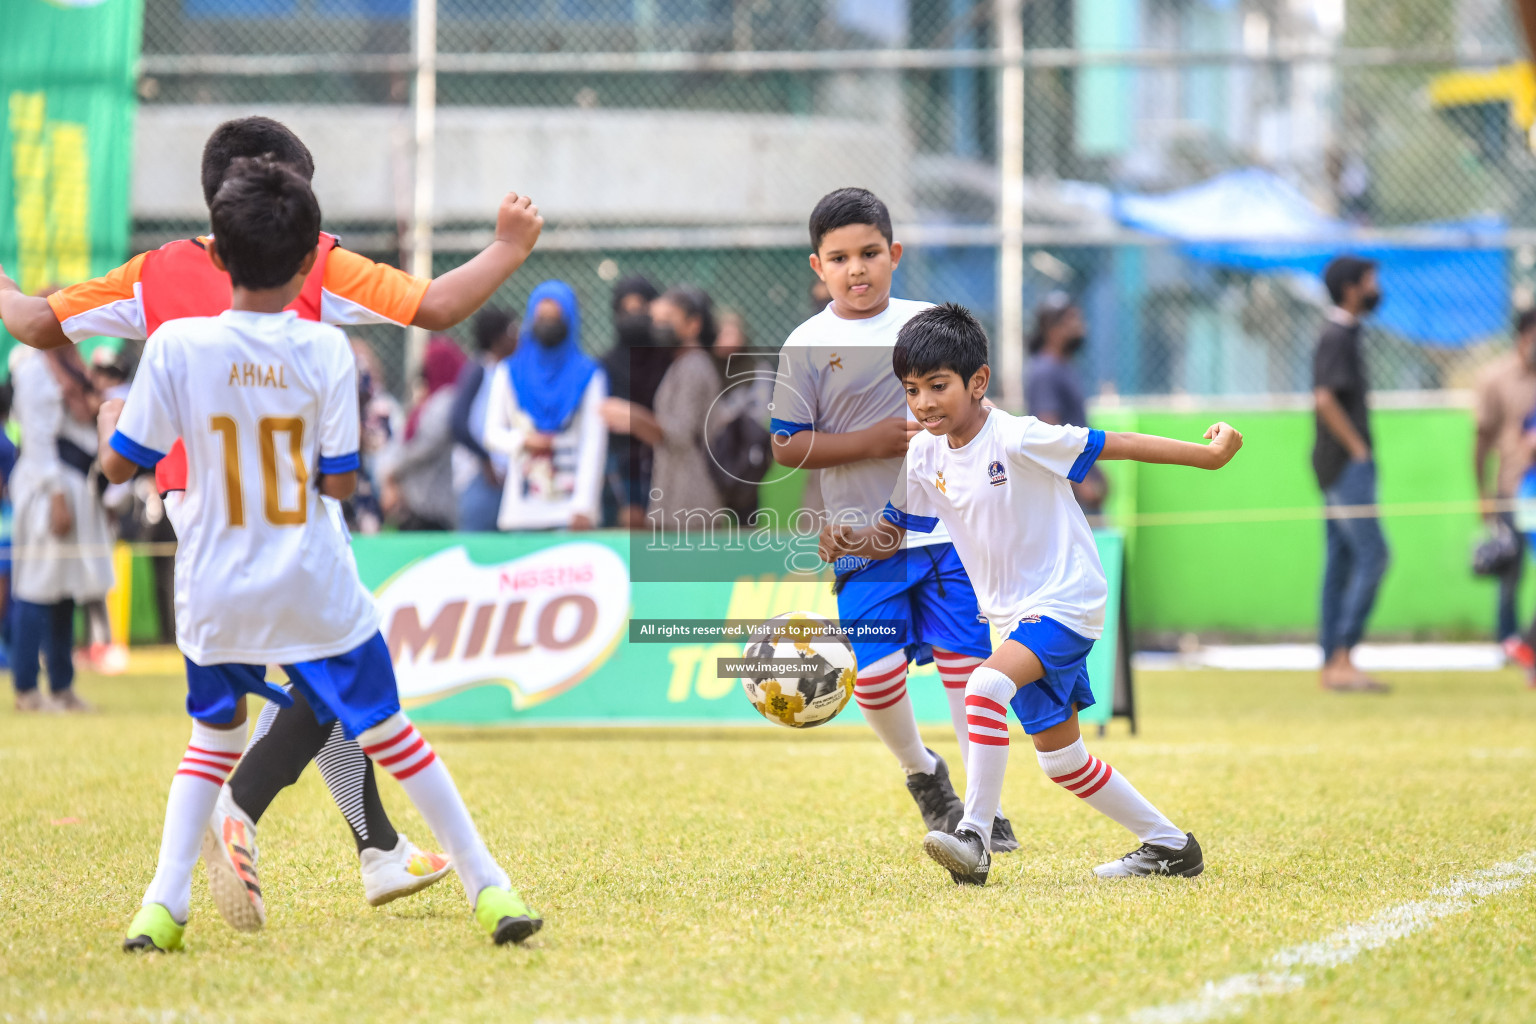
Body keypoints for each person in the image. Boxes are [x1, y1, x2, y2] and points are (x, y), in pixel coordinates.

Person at [0, 115, 541, 913]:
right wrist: (507, 247)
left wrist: (7, 290)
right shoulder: (312, 259)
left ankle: (378, 849)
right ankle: (243, 805)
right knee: (336, 677)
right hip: (293, 509)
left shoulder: (158, 274)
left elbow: (40, 325)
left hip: (197, 512)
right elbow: (432, 306)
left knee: (279, 691)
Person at [821, 302, 1241, 884]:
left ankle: (974, 838)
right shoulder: (923, 454)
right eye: (911, 390)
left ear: (978, 382)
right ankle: (1171, 847)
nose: (922, 403)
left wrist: (1210, 457)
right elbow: (894, 533)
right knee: (1063, 761)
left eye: (937, 386)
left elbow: (1115, 441)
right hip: (1011, 617)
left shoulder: (1019, 437)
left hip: (1067, 601)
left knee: (984, 687)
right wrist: (852, 540)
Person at [768, 188, 1014, 850]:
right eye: (840, 258)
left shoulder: (929, 324)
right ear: (817, 267)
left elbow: (978, 415)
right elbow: (787, 445)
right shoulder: (807, 343)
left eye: (870, 253)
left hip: (945, 532)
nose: (857, 270)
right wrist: (871, 443)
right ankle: (924, 773)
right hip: (862, 539)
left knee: (971, 670)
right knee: (874, 680)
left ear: (894, 254)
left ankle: (980, 814)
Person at [7, 340, 112, 712]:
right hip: (48, 492)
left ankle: (62, 686)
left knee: (66, 593)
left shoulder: (69, 365)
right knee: (37, 590)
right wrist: (55, 497)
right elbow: (37, 439)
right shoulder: (35, 368)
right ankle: (26, 689)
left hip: (76, 486)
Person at [1312, 255, 1391, 694]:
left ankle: (1333, 662)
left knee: (1340, 562)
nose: (1376, 288)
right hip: (1345, 466)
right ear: (1350, 288)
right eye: (1370, 281)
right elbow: (1325, 398)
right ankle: (1341, 656)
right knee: (1374, 556)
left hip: (1338, 466)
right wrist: (1359, 450)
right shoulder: (1336, 334)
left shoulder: (1345, 333)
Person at [484, 280, 607, 530]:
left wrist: (584, 505)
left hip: (570, 512)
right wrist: (523, 440)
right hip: (522, 509)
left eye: (555, 317)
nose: (548, 323)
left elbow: (593, 443)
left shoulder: (588, 375)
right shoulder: (509, 372)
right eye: (542, 317)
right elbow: (491, 433)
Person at [605, 286, 727, 525]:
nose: (660, 327)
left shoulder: (693, 366)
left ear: (694, 325)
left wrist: (633, 417)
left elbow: (679, 433)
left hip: (691, 500)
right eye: (656, 320)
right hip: (674, 496)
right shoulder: (679, 364)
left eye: (668, 319)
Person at [1473, 308, 1536, 672]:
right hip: (1514, 490)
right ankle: (1509, 642)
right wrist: (1481, 492)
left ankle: (1528, 645)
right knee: (1510, 573)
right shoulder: (1496, 379)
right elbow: (1481, 439)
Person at [1025, 291, 1107, 514]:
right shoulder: (1045, 370)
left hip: (1080, 478)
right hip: (1069, 487)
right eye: (1072, 319)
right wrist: (1082, 484)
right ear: (1052, 329)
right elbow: (1050, 431)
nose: (1081, 326)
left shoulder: (1064, 366)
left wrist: (1098, 472)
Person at [379, 337, 467, 531]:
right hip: (416, 500)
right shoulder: (432, 400)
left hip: (432, 503)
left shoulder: (446, 400)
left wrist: (392, 471)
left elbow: (425, 445)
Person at [600, 275, 663, 529]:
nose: (633, 317)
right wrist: (625, 501)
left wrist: (635, 418)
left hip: (664, 471)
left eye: (640, 309)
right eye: (626, 310)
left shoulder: (669, 361)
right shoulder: (605, 366)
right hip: (621, 477)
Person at [450, 308, 518, 531]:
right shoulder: (479, 370)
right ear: (496, 338)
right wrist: (485, 459)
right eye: (511, 330)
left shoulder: (507, 370)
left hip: (504, 476)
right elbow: (458, 422)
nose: (517, 336)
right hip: (479, 475)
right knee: (477, 541)